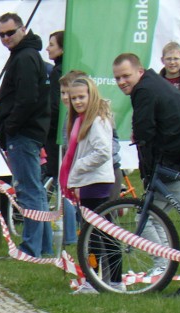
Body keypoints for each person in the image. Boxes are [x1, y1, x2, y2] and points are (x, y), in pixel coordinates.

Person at [113, 53, 180, 297]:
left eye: (126, 76)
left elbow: (144, 134)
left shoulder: (144, 91)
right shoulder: (151, 84)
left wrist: (147, 173)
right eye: (117, 78)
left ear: (140, 71)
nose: (121, 82)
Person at [0, 12, 53, 258]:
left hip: (23, 134)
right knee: (36, 191)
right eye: (1, 35)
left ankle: (31, 248)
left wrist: (11, 125)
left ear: (23, 29)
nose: (6, 38)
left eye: (10, 32)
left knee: (29, 192)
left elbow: (27, 98)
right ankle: (43, 246)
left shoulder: (26, 57)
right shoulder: (23, 55)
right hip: (25, 132)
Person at [59, 77, 118, 293]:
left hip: (96, 182)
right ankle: (105, 279)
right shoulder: (81, 120)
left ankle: (98, 280)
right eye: (74, 98)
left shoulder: (97, 120)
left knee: (95, 234)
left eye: (81, 97)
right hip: (89, 182)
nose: (77, 102)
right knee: (99, 232)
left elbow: (103, 151)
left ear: (91, 95)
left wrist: (78, 167)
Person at [45, 30, 64, 180]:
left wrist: (47, 129)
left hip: (57, 135)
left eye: (51, 45)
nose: (47, 48)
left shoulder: (57, 72)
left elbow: (55, 105)